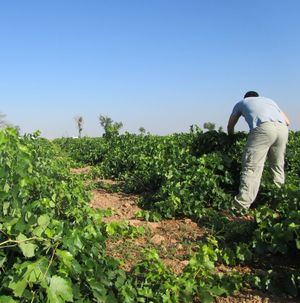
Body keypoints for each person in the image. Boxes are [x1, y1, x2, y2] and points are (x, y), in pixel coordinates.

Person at [227, 91, 290, 210]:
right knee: (277, 165)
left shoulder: (242, 103)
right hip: (283, 129)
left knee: (252, 167)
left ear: (246, 98)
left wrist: (231, 136)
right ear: (258, 97)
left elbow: (231, 124)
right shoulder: (270, 101)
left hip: (263, 128)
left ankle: (241, 206)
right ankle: (279, 202)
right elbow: (288, 121)